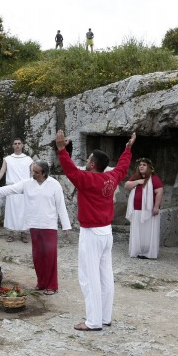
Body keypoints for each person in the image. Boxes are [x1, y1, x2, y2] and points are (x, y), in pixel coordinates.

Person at [55, 130, 136, 331]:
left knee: (89, 277)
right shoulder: (112, 176)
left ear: (92, 165)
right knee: (105, 276)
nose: (87, 161)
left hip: (91, 233)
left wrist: (61, 150)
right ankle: (105, 317)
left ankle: (93, 321)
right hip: (106, 233)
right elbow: (123, 166)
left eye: (89, 159)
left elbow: (70, 170)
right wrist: (128, 149)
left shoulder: (88, 179)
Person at [0, 160, 71, 294]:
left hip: (49, 226)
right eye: (32, 171)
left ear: (44, 173)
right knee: (38, 257)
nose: (33, 174)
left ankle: (52, 286)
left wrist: (66, 226)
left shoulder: (54, 185)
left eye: (36, 172)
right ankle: (41, 283)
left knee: (50, 256)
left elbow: (61, 206)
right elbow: (9, 189)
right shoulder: (27, 184)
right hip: (34, 225)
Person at [0, 137, 33, 243]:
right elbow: (1, 172)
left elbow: (33, 173)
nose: (17, 145)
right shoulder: (7, 159)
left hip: (24, 189)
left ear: (22, 145)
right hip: (11, 188)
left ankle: (24, 233)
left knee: (24, 211)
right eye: (15, 143)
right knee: (11, 212)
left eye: (19, 143)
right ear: (13, 146)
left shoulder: (28, 159)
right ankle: (11, 233)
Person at [124, 158, 164, 259]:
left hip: (149, 210)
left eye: (144, 165)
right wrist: (138, 181)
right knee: (138, 231)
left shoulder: (154, 178)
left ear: (150, 167)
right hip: (136, 209)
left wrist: (156, 207)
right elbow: (127, 186)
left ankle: (148, 252)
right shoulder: (136, 177)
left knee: (148, 231)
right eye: (140, 165)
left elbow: (159, 192)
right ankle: (138, 250)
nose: (141, 166)